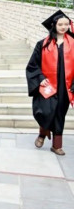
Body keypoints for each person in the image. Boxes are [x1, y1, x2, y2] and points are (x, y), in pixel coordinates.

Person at [26, 10, 74, 156]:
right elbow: (33, 65)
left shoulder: (73, 43)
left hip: (65, 86)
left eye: (66, 24)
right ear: (54, 25)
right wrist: (40, 78)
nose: (64, 27)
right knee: (45, 112)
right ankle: (43, 132)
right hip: (48, 85)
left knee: (60, 114)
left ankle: (56, 145)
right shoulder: (43, 44)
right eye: (60, 24)